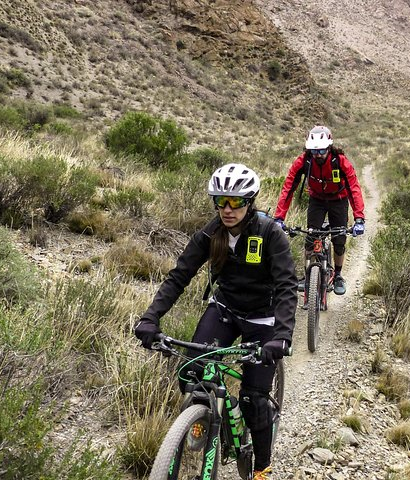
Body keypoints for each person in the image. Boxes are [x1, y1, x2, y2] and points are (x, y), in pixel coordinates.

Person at [134, 163, 297, 480]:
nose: (227, 208)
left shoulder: (269, 234)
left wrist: (282, 336)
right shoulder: (210, 234)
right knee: (192, 373)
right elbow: (178, 277)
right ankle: (208, 417)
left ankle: (262, 466)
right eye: (220, 200)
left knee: (254, 400)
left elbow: (287, 286)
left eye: (235, 202)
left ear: (250, 201)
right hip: (225, 308)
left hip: (263, 317)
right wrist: (150, 318)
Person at [273, 125, 365, 295]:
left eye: (322, 151)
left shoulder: (340, 161)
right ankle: (308, 275)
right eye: (314, 152)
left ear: (329, 147)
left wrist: (359, 218)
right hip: (317, 200)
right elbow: (288, 187)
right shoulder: (304, 161)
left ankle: (337, 275)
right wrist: (279, 217)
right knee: (311, 236)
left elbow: (354, 187)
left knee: (339, 239)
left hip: (339, 200)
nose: (319, 155)